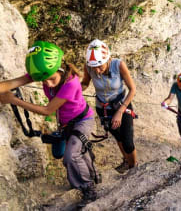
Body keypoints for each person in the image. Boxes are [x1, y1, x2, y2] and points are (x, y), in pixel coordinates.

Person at [0, 41, 97, 206]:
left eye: (51, 79)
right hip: (66, 124)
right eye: (43, 81)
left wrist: (13, 100)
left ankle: (88, 189)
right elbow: (12, 83)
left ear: (58, 69)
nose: (48, 84)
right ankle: (91, 175)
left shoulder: (71, 83)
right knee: (66, 153)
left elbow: (47, 110)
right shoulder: (42, 72)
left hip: (82, 120)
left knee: (71, 155)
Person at [81, 39, 137, 173]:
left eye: (100, 67)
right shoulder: (89, 67)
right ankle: (126, 161)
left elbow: (133, 89)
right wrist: (72, 90)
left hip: (122, 105)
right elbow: (85, 83)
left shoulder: (118, 65)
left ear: (108, 59)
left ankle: (134, 167)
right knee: (118, 137)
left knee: (128, 141)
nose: (98, 71)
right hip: (103, 109)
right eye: (95, 68)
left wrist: (120, 112)